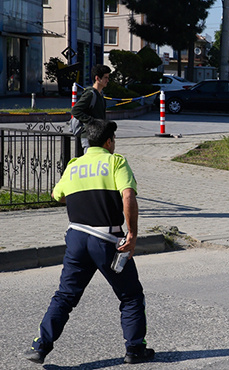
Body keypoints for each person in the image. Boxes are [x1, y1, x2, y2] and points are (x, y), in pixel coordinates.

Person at [25, 119, 154, 365]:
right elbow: (128, 196)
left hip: (76, 238)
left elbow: (57, 195)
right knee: (131, 296)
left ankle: (39, 347)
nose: (114, 144)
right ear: (108, 141)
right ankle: (135, 349)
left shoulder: (74, 165)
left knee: (64, 296)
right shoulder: (116, 162)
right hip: (107, 240)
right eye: (114, 139)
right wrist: (132, 234)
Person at [71, 64, 111, 153]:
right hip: (89, 136)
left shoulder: (100, 95)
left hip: (98, 136)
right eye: (105, 78)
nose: (107, 80)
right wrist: (92, 121)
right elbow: (75, 110)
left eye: (108, 78)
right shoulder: (90, 94)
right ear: (97, 78)